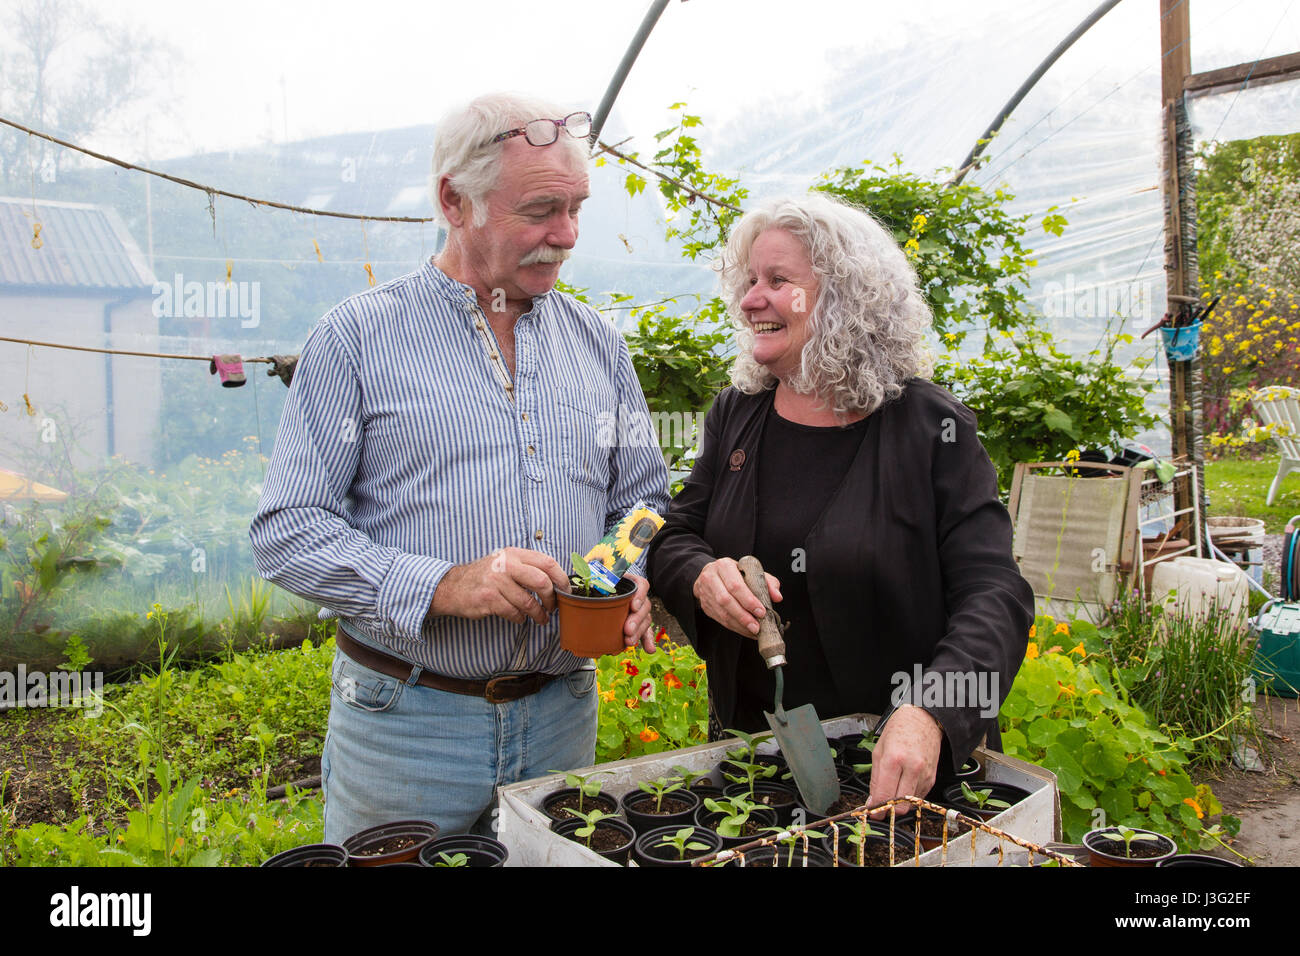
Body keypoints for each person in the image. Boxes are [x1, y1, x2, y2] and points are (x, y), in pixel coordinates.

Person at [250, 93, 670, 843]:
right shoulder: (358, 338)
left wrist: (631, 576)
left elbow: (641, 499)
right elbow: (288, 530)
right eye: (540, 209)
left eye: (576, 208)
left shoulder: (599, 346)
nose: (566, 235)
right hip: (408, 723)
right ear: (455, 199)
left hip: (561, 712)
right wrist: (444, 584)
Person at [646, 192, 1032, 813]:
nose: (749, 300)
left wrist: (934, 711)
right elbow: (674, 532)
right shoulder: (737, 415)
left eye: (778, 280)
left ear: (846, 300)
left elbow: (995, 592)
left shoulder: (931, 428)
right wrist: (700, 576)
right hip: (760, 769)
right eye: (748, 281)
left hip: (903, 777)